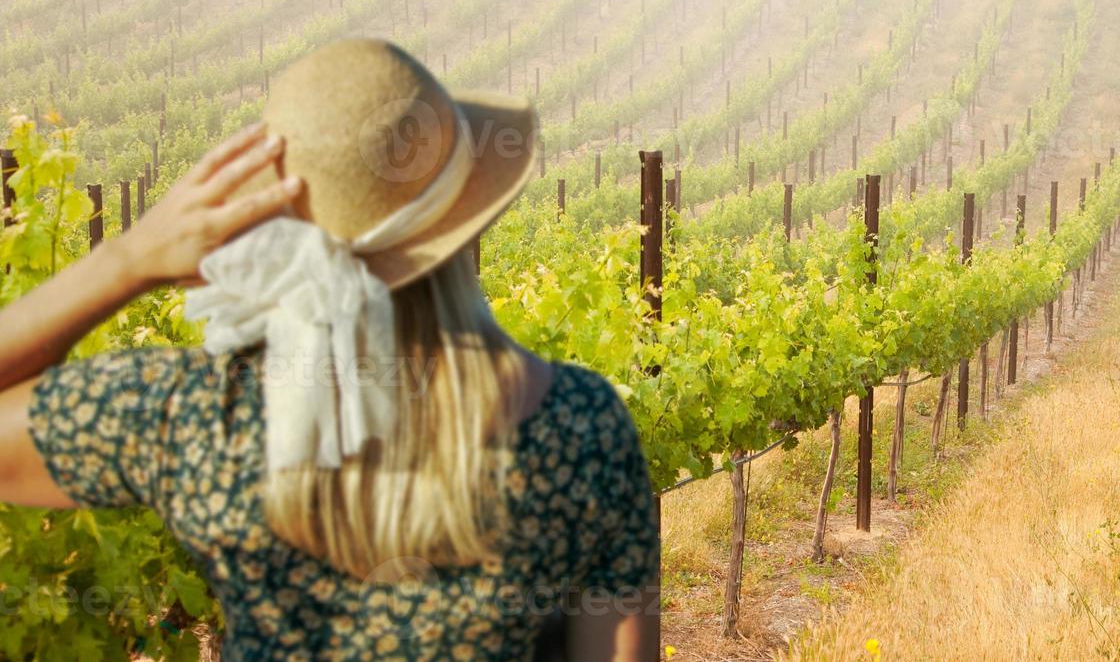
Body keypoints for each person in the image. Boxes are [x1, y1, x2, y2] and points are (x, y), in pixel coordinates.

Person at [0, 39, 661, 661]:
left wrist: (128, 259)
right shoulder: (583, 427)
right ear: (461, 223)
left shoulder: (194, 415)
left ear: (281, 233)